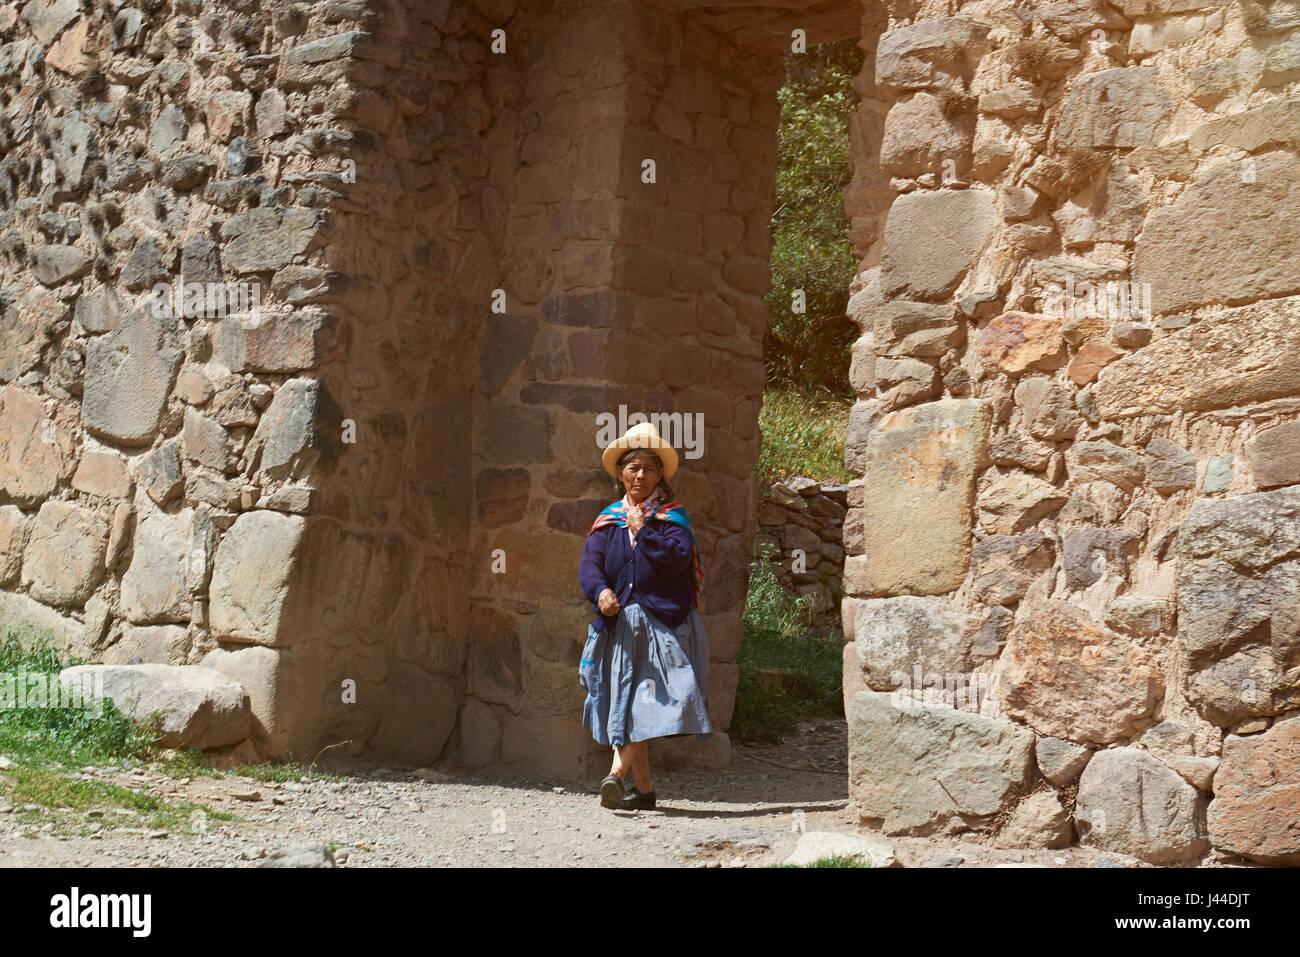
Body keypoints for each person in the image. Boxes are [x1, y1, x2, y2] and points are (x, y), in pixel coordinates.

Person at [578, 422, 712, 811]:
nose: (640, 476)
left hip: (661, 626)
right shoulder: (608, 521)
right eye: (633, 468)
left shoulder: (671, 518)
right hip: (620, 627)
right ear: (621, 474)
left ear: (660, 477)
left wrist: (645, 532)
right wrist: (601, 592)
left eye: (648, 469)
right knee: (628, 698)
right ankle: (645, 791)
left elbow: (678, 560)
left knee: (639, 701)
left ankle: (615, 775)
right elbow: (590, 566)